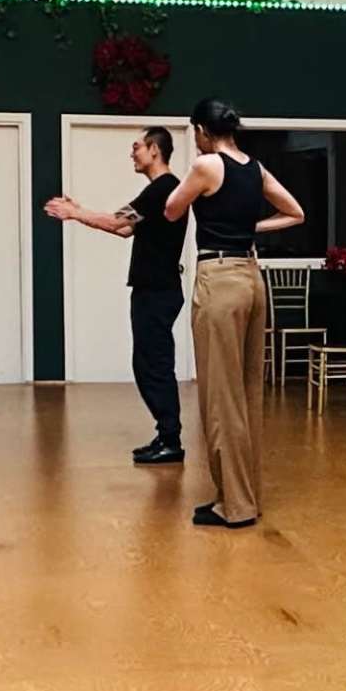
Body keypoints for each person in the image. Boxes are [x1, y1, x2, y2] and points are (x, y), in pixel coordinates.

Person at [160, 97, 303, 529]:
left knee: (221, 398)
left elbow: (170, 210)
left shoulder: (207, 166)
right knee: (245, 393)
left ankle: (235, 506)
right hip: (252, 278)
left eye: (196, 134)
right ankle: (241, 496)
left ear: (203, 131)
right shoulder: (255, 168)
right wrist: (250, 227)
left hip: (219, 278)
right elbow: (295, 213)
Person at [43, 125, 188, 465]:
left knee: (155, 365)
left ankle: (171, 440)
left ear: (155, 150)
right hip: (152, 290)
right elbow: (124, 228)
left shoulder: (163, 189)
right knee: (146, 364)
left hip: (158, 291)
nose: (132, 154)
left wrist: (75, 213)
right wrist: (81, 211)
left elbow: (114, 221)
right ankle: (165, 435)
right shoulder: (159, 192)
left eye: (137, 147)